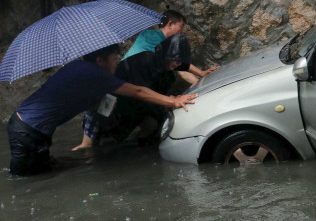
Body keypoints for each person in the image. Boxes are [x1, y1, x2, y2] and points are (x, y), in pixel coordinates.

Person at [7, 44, 198, 176]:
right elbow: (138, 91)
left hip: (32, 130)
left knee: (44, 174)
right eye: (114, 58)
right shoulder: (95, 74)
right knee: (23, 181)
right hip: (27, 131)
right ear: (100, 60)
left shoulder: (80, 69)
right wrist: (173, 101)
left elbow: (92, 105)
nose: (117, 62)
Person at [73, 34, 193, 149]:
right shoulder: (143, 61)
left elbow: (150, 95)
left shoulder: (167, 75)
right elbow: (140, 92)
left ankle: (132, 150)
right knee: (89, 146)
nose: (178, 64)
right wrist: (170, 102)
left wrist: (168, 101)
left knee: (150, 126)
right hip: (108, 104)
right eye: (175, 60)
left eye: (180, 61)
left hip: (131, 107)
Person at [124, 9, 219, 85]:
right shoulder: (157, 41)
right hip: (130, 81)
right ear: (170, 24)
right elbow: (179, 68)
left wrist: (201, 73)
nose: (181, 32)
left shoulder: (147, 34)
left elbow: (178, 64)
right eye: (181, 27)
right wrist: (200, 85)